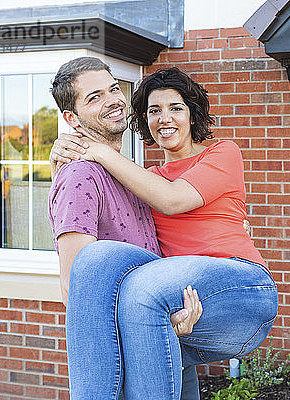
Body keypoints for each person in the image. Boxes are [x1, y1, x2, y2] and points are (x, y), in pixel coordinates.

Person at [50, 61, 278, 400]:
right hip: (180, 301)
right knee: (107, 273)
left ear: (192, 113)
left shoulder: (222, 152)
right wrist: (59, 161)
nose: (165, 118)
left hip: (240, 287)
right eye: (154, 110)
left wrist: (94, 149)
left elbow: (172, 200)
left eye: (176, 108)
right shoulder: (145, 179)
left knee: (138, 286)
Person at [48, 57, 202, 400]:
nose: (113, 100)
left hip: (167, 341)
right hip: (127, 364)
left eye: (113, 89)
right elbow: (77, 289)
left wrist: (172, 312)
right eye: (94, 97)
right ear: (71, 119)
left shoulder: (126, 172)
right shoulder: (80, 176)